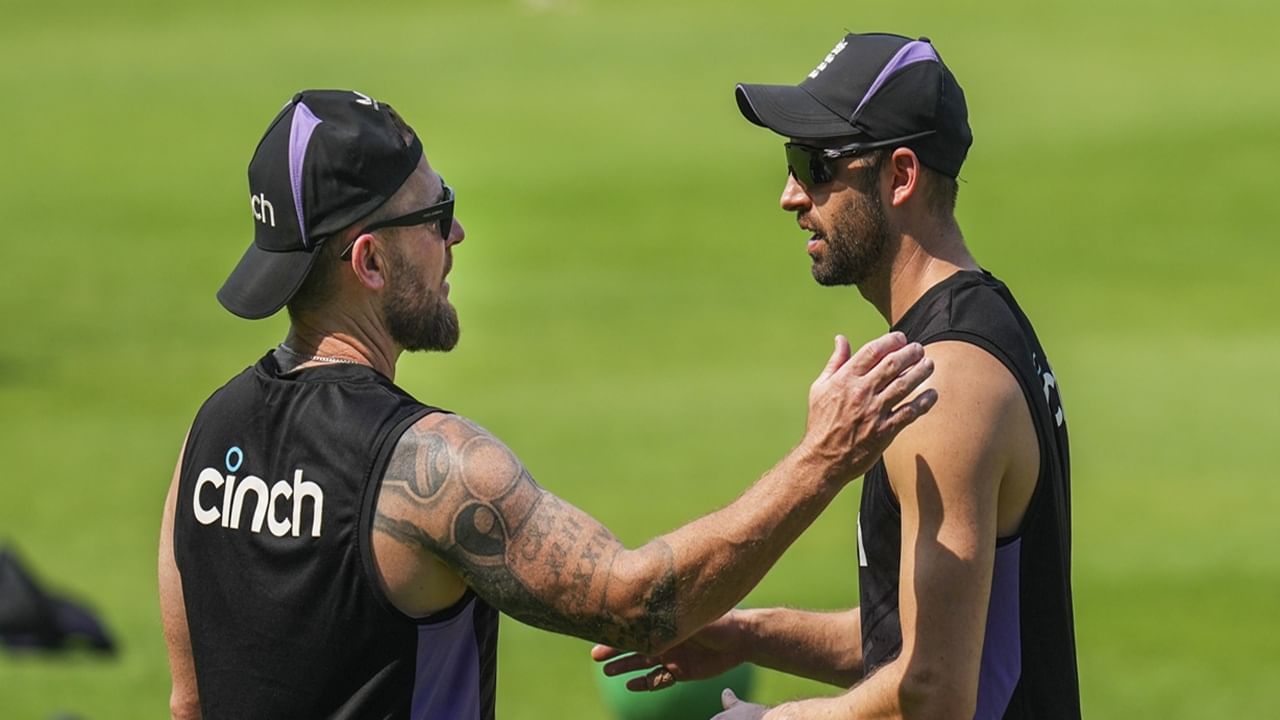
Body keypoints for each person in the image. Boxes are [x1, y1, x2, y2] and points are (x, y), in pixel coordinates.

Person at [156, 89, 940, 720]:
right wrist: (824, 457)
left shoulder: (207, 437)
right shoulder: (430, 468)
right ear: (368, 260)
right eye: (433, 215)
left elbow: (189, 703)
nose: (456, 232)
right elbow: (639, 605)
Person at [593, 32, 1079, 719]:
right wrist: (747, 636)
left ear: (900, 176)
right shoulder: (980, 324)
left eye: (815, 164)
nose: (791, 196)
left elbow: (937, 691)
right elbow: (918, 631)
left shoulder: (944, 386)